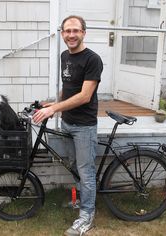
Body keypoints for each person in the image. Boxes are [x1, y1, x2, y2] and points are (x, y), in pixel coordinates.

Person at [32, 15, 103, 236]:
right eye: (67, 31)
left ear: (84, 32)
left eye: (75, 31)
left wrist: (54, 109)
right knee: (74, 167)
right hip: (68, 122)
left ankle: (86, 216)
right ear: (62, 34)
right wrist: (54, 102)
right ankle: (81, 202)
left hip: (84, 126)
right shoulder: (65, 55)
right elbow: (68, 87)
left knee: (86, 171)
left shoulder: (93, 60)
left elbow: (84, 96)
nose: (71, 35)